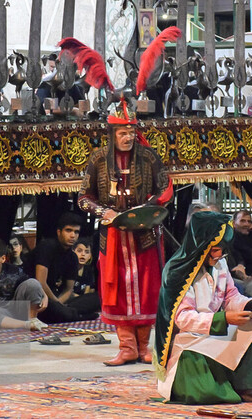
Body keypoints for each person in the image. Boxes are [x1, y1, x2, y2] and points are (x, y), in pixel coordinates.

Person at [78, 99, 173, 366]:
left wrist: (148, 208)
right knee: (116, 290)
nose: (128, 137)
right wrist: (103, 213)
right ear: (112, 134)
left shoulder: (149, 157)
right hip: (114, 238)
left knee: (147, 288)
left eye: (131, 132)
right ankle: (127, 347)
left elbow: (165, 188)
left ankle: (144, 347)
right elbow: (84, 197)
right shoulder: (98, 159)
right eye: (122, 132)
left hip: (145, 236)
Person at [155, 211, 252, 404]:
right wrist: (223, 320)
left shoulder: (220, 263)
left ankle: (247, 385)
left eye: (222, 250)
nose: (220, 255)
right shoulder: (177, 272)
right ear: (202, 245)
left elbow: (230, 295)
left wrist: (251, 304)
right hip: (188, 339)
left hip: (216, 328)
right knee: (208, 394)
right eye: (215, 249)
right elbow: (182, 318)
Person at [28, 212, 96, 323]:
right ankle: (77, 315)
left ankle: (69, 313)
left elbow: (69, 289)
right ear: (59, 232)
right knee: (56, 309)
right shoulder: (47, 247)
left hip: (56, 299)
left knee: (96, 299)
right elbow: (41, 282)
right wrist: (57, 304)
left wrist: (59, 303)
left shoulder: (72, 257)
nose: (73, 235)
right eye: (69, 230)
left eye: (76, 232)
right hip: (38, 297)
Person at [0, 238, 48, 330]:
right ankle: (27, 325)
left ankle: (33, 319)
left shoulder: (13, 270)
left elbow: (32, 284)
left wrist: (44, 296)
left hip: (16, 306)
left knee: (32, 283)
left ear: (2, 259)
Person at [65, 239, 101, 315]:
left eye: (87, 252)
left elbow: (87, 292)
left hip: (82, 300)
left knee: (98, 296)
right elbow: (67, 292)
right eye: (79, 251)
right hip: (68, 300)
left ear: (90, 256)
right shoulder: (68, 268)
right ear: (73, 252)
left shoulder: (88, 271)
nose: (83, 254)